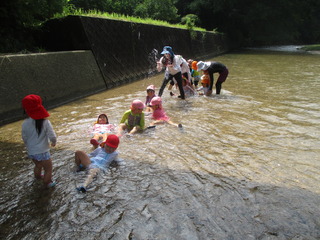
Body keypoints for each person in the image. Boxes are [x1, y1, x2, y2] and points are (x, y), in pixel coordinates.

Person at [21, 94, 57, 188]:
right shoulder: (45, 122)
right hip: (43, 151)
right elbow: (52, 135)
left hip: (32, 151)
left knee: (38, 166)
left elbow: (24, 137)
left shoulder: (24, 123)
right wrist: (53, 142)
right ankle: (47, 182)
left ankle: (37, 177)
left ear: (26, 110)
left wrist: (28, 146)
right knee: (48, 169)